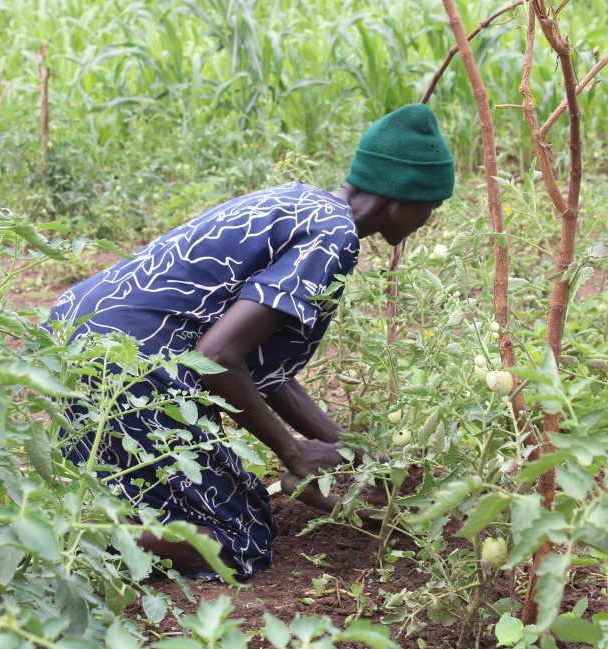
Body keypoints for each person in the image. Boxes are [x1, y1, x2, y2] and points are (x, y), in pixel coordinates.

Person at [48, 103, 455, 578]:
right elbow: (217, 356)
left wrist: (350, 449)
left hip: (77, 336)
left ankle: (87, 517)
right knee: (233, 542)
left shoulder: (301, 202)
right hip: (133, 364)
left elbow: (254, 361)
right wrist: (292, 451)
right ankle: (61, 533)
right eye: (433, 203)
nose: (431, 215)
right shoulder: (335, 237)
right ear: (402, 196)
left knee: (215, 502)